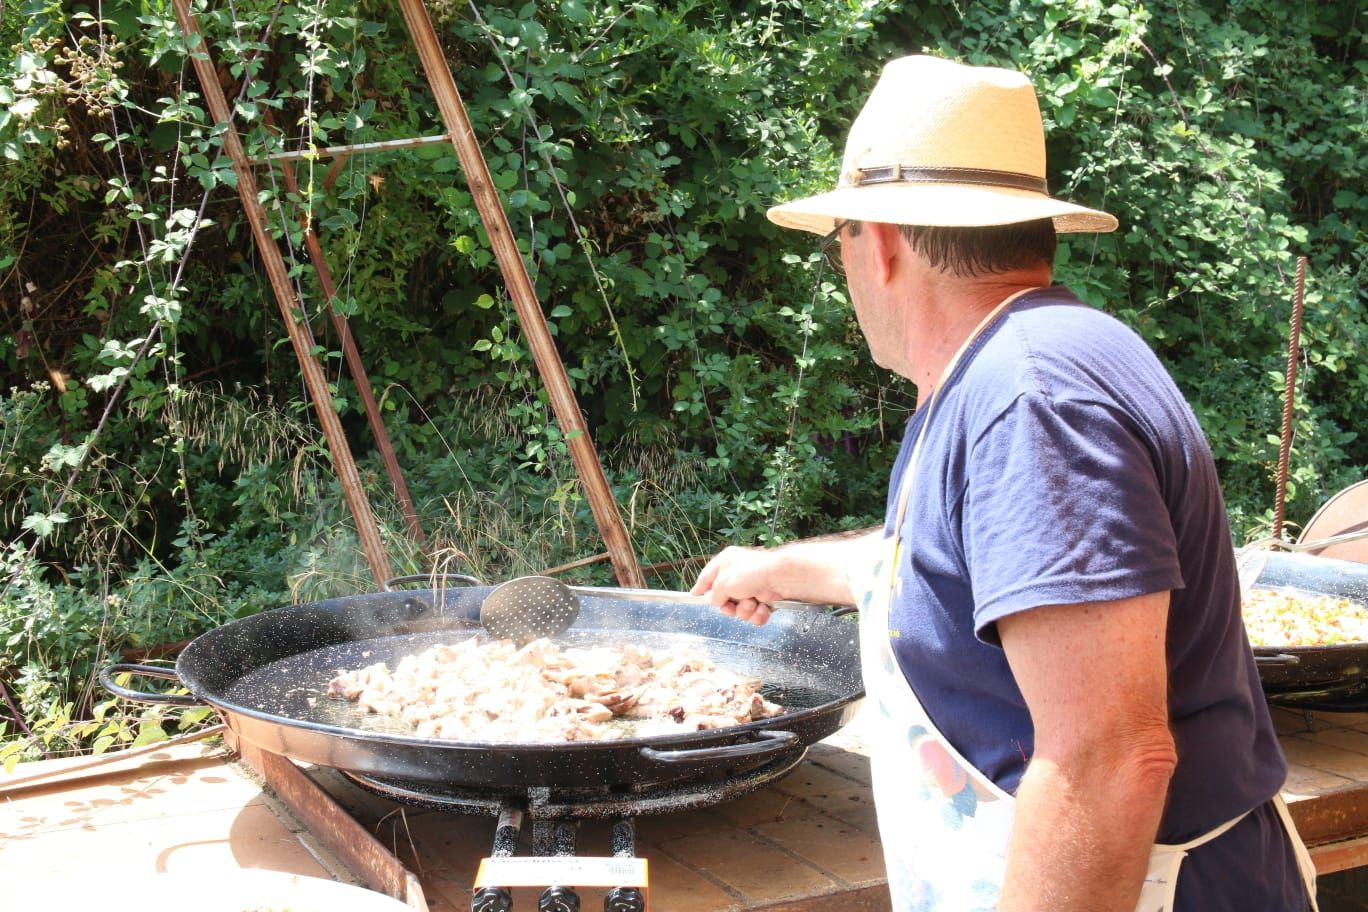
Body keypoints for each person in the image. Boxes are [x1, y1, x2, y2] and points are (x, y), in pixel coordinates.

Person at [690, 55, 1318, 912]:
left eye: (836, 239)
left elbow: (1108, 760)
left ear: (877, 245)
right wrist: (774, 568)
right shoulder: (1024, 362)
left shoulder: (1033, 403)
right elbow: (953, 563)